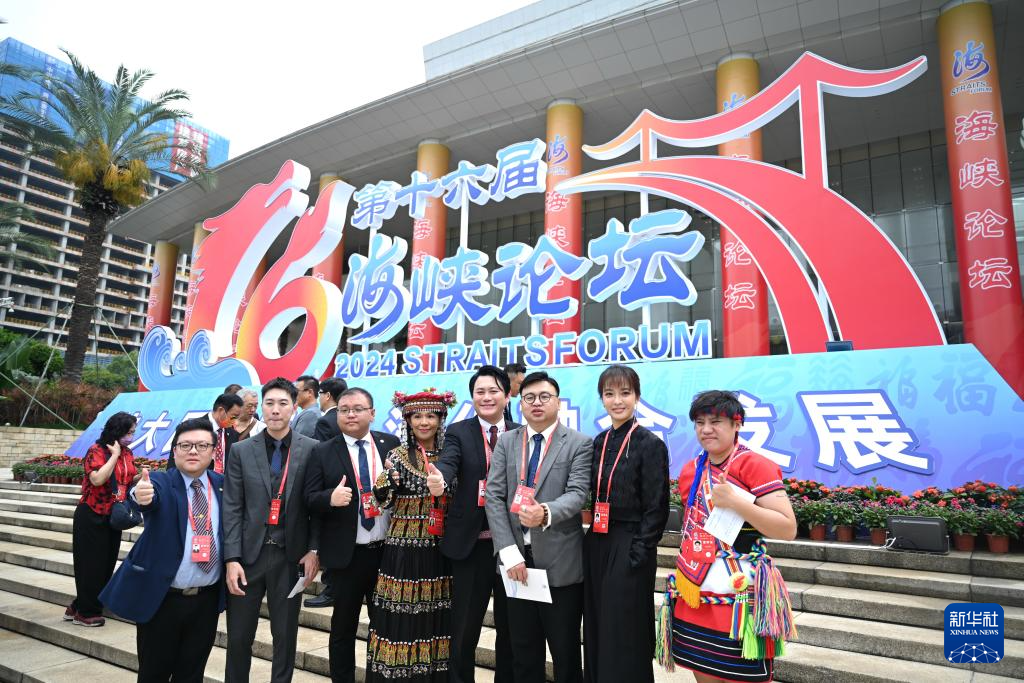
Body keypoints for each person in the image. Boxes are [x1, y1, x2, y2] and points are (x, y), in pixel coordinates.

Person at [668, 390, 797, 683]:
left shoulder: (755, 465)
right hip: (696, 587)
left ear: (737, 424)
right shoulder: (691, 470)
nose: (706, 429)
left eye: (715, 422)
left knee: (742, 673)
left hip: (740, 593)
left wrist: (736, 502)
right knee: (702, 668)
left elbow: (787, 528)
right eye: (700, 422)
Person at [485, 371, 592, 683]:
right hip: (517, 565)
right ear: (520, 404)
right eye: (529, 397)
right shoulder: (507, 442)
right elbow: (494, 495)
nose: (537, 403)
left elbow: (577, 493)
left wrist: (545, 512)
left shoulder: (579, 443)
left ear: (558, 402)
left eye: (545, 397)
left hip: (560, 564)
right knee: (523, 651)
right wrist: (509, 553)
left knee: (565, 653)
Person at [100, 418, 226, 682]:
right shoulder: (161, 481)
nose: (193, 451)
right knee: (153, 674)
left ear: (214, 451)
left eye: (202, 445)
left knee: (192, 675)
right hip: (162, 600)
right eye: (186, 445)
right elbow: (146, 494)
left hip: (206, 601)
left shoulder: (224, 485)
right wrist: (140, 494)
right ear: (175, 450)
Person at [222, 377, 321, 683]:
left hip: (289, 558)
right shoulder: (241, 450)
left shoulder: (312, 449)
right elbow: (232, 507)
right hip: (248, 557)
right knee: (238, 637)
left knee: (285, 637)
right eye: (269, 403)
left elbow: (316, 507)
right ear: (260, 407)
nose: (275, 410)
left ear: (294, 407)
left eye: (283, 403)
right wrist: (231, 558)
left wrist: (313, 550)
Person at [304, 387, 400, 683]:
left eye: (358, 409)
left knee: (384, 627)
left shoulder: (390, 445)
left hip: (386, 554)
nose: (350, 415)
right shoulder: (322, 451)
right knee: (343, 628)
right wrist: (329, 498)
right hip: (347, 556)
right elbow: (309, 498)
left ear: (372, 413)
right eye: (344, 410)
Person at [428, 365, 517, 683]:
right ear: (472, 397)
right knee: (464, 628)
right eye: (480, 392)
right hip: (472, 545)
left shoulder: (521, 432)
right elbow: (448, 463)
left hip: (513, 548)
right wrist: (439, 479)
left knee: (512, 629)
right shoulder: (459, 431)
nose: (487, 397)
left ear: (507, 395)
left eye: (494, 391)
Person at [583, 364, 670, 683]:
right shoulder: (599, 441)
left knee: (624, 625)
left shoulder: (650, 443)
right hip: (597, 540)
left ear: (637, 396)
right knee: (597, 621)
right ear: (602, 399)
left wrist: (639, 552)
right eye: (609, 394)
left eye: (625, 393)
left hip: (631, 542)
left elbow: (657, 506)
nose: (617, 400)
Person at [67, 411, 139, 627]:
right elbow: (97, 479)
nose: (131, 437)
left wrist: (144, 476)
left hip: (113, 515)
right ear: (117, 431)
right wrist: (114, 455)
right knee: (91, 565)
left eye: (133, 432)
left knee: (106, 564)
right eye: (128, 432)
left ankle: (80, 605)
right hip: (91, 514)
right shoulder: (96, 451)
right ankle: (85, 613)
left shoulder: (127, 453)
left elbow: (126, 479)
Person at [167, 392, 242, 474]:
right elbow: (174, 464)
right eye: (234, 417)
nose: (235, 421)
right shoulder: (190, 428)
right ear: (221, 411)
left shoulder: (233, 434)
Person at [313, 377, 348, 442]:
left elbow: (322, 447)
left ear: (328, 396)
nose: (319, 398)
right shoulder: (350, 417)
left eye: (320, 393)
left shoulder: (324, 422)